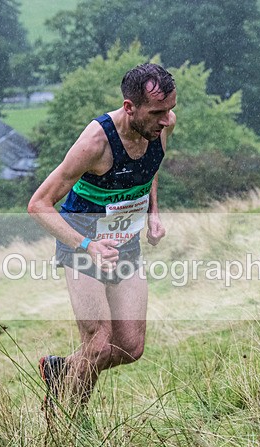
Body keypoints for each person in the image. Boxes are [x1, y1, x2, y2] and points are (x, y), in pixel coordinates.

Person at [27, 63, 176, 413]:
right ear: (129, 108)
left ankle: (62, 369)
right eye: (157, 112)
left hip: (125, 245)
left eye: (170, 109)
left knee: (129, 347)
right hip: (83, 243)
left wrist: (153, 213)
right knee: (97, 345)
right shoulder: (96, 143)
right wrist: (87, 245)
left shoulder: (162, 125)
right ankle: (68, 422)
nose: (167, 120)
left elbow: (149, 168)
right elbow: (38, 205)